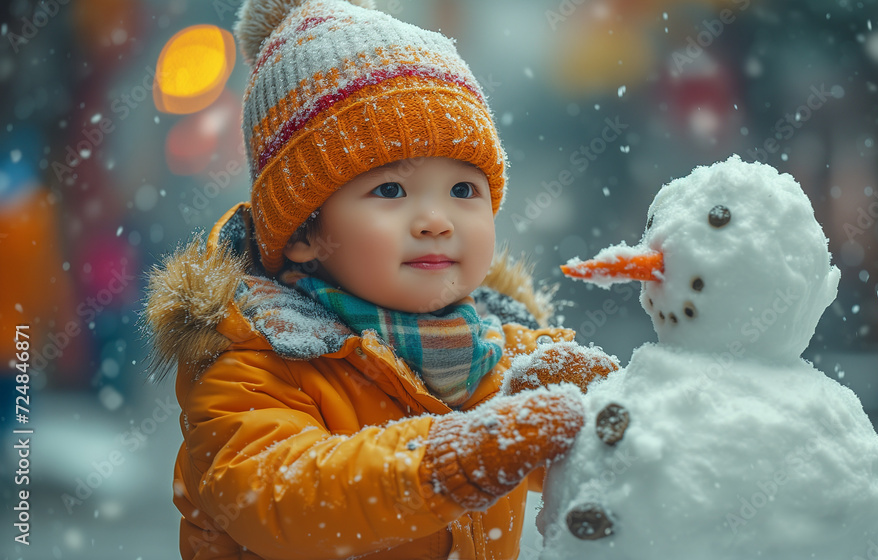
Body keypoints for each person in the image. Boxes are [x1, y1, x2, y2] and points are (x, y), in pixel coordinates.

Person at [143, 1, 619, 558]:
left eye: (463, 190)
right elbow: (278, 495)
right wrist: (452, 461)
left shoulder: (498, 355)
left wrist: (621, 408)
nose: (436, 220)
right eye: (391, 190)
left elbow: (633, 454)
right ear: (304, 232)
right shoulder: (256, 360)